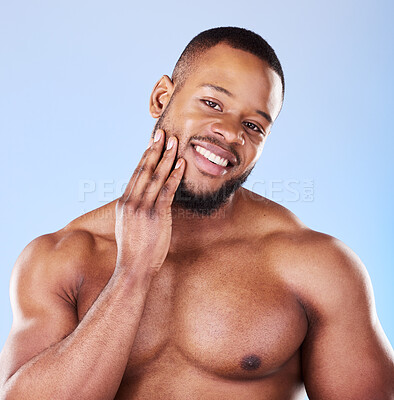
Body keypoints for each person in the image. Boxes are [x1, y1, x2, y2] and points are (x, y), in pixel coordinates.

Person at [0, 27, 393, 400]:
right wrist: (132, 273)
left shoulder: (317, 266)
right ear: (161, 98)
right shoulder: (61, 258)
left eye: (254, 125)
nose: (230, 132)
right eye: (212, 103)